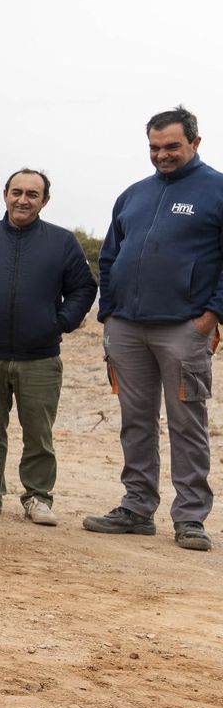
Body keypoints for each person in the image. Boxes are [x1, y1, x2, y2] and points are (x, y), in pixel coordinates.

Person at [85, 106, 221, 553]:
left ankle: (190, 517)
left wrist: (211, 315)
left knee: (187, 423)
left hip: (185, 328)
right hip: (127, 328)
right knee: (136, 421)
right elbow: (109, 256)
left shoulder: (216, 191)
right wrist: (109, 311)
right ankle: (137, 507)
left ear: (195, 143)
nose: (162, 155)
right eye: (155, 147)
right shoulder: (132, 195)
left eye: (172, 147)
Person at [0, 169, 96, 526]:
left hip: (40, 357)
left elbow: (83, 289)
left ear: (45, 201)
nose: (23, 200)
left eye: (32, 194)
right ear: (5, 194)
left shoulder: (62, 242)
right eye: (17, 192)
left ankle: (38, 497)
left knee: (38, 434)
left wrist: (60, 323)